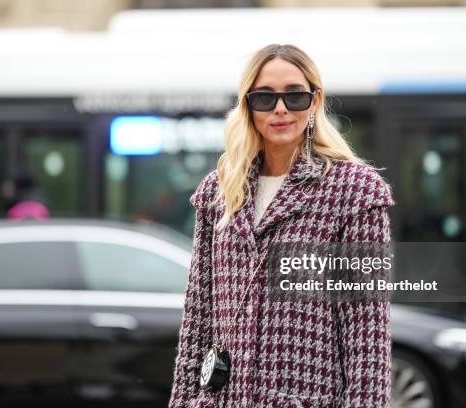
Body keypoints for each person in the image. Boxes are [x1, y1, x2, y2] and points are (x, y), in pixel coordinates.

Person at [168, 44, 395, 408]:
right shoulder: (219, 190)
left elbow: (366, 334)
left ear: (315, 101)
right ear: (247, 105)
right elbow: (198, 318)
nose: (280, 108)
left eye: (295, 96)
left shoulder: (355, 191)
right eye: (264, 98)